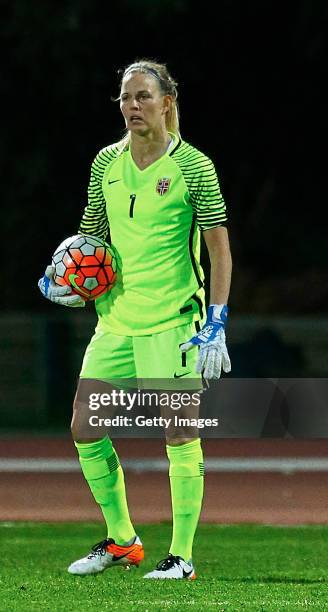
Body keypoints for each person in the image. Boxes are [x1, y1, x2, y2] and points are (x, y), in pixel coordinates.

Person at [39, 59, 232, 580]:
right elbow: (90, 238)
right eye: (125, 98)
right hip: (116, 321)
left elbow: (220, 253)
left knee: (178, 434)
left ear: (167, 102)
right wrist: (70, 277)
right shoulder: (106, 163)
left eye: (143, 96)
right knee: (84, 426)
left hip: (173, 320)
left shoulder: (194, 166)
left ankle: (183, 557)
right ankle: (124, 541)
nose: (132, 106)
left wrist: (217, 321)